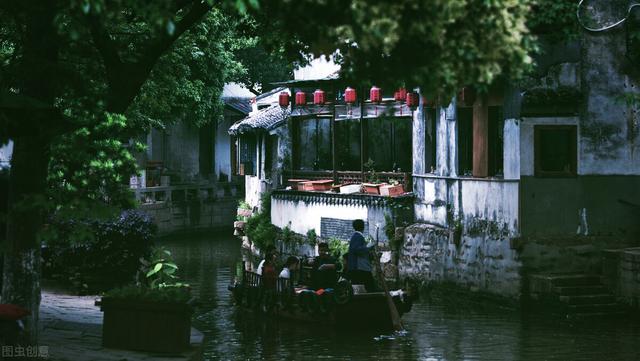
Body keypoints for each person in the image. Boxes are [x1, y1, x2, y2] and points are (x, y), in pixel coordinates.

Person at [347, 219, 376, 292]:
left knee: (360, 288)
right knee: (368, 287)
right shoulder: (358, 236)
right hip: (360, 267)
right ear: (363, 227)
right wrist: (368, 247)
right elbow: (357, 249)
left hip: (358, 267)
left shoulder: (356, 236)